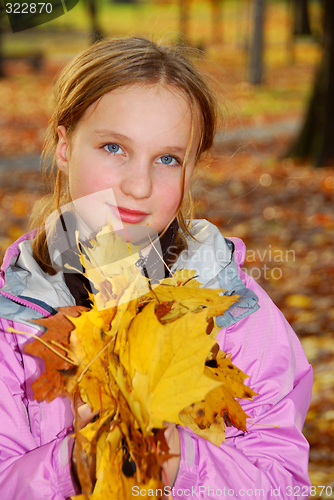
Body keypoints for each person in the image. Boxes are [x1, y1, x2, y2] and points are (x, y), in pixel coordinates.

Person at [0, 37, 312, 500]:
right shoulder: (15, 323)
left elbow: (286, 485)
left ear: (191, 171)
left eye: (167, 159)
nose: (139, 185)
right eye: (113, 148)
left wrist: (182, 462)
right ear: (64, 147)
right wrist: (71, 465)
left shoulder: (233, 311)